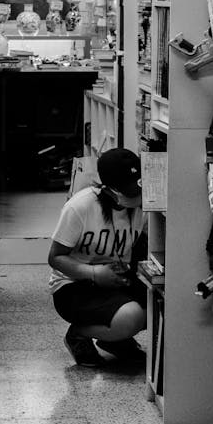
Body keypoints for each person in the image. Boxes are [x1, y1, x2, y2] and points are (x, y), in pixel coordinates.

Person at [48, 148, 148, 367]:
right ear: (111, 190)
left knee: (159, 303)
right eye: (130, 193)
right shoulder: (80, 206)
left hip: (115, 280)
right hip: (74, 285)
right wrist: (94, 273)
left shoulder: (142, 207)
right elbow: (55, 258)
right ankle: (79, 334)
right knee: (131, 317)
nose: (138, 198)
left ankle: (115, 339)